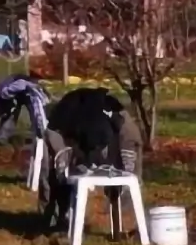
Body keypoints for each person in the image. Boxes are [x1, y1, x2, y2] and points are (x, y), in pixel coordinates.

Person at [41, 86, 142, 232]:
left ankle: (127, 222)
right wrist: (67, 170)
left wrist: (126, 171)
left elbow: (130, 143)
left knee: (129, 175)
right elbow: (55, 143)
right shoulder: (62, 122)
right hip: (67, 128)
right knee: (59, 175)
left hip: (107, 121)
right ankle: (57, 221)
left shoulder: (120, 121)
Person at [0, 73, 51, 144]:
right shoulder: (3, 91)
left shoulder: (8, 89)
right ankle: (1, 138)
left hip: (25, 91)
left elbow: (38, 109)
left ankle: (40, 135)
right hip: (13, 92)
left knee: (36, 111)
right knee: (12, 112)